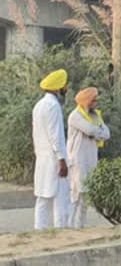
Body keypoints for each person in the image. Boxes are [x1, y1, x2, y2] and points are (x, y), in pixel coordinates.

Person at [32, 69, 70, 230]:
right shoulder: (53, 106)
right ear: (58, 88)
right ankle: (61, 233)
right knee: (60, 198)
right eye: (64, 86)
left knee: (43, 198)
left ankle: (39, 232)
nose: (66, 89)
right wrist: (61, 159)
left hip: (42, 158)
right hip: (54, 158)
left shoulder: (39, 105)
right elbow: (56, 136)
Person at [67, 87, 110, 229]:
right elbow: (90, 130)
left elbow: (107, 134)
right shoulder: (75, 116)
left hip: (91, 158)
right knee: (77, 194)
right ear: (86, 102)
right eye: (93, 100)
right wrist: (97, 132)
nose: (96, 103)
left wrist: (95, 133)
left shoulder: (95, 116)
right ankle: (69, 227)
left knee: (87, 194)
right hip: (78, 160)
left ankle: (80, 226)